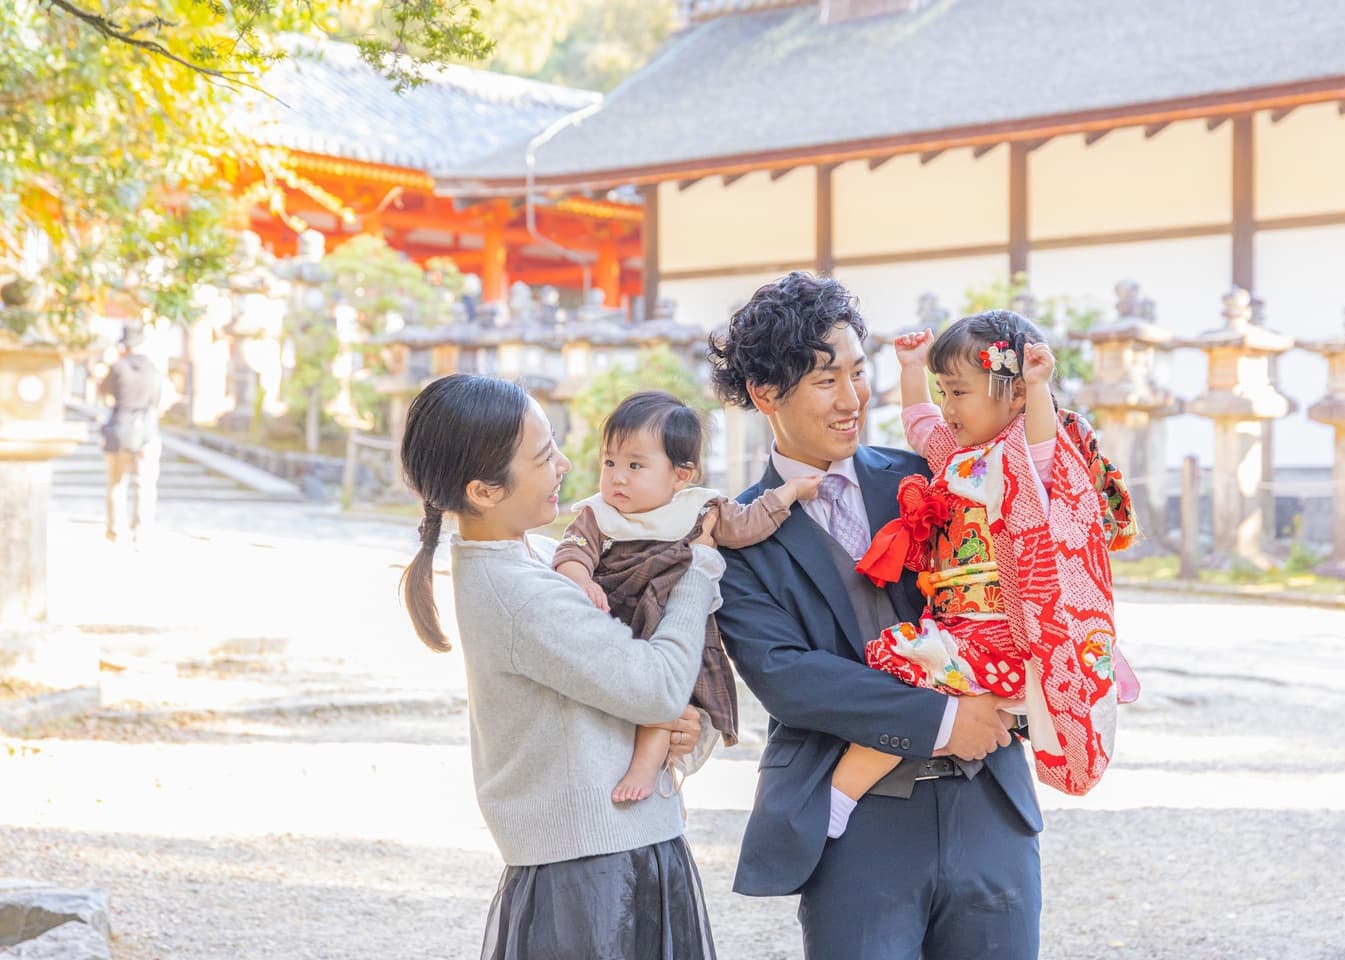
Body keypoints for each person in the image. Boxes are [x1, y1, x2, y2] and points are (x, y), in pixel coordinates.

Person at [709, 272, 1043, 960]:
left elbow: (1022, 584)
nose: (854, 398)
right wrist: (948, 719)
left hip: (990, 810)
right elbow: (787, 677)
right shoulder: (737, 532)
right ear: (766, 393)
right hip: (855, 825)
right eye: (827, 380)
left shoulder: (934, 477)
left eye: (859, 374)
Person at [398, 374, 720, 960]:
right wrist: (700, 572)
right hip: (593, 873)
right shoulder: (521, 593)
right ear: (485, 491)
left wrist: (682, 731)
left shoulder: (543, 559)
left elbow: (645, 691)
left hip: (610, 852)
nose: (566, 464)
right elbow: (657, 685)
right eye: (545, 456)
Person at [827, 311, 1140, 835]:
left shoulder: (1026, 458)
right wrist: (910, 369)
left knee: (913, 686)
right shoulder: (962, 456)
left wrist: (1038, 385)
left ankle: (840, 795)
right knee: (921, 700)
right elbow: (920, 424)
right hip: (959, 625)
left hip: (1004, 631)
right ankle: (854, 795)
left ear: (1013, 394)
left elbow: (1042, 441)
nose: (948, 407)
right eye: (943, 391)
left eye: (959, 392)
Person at [554, 390, 822, 803]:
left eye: (635, 465)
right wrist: (579, 578)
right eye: (610, 463)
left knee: (669, 698)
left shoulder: (702, 510)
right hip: (618, 625)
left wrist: (788, 493)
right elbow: (572, 551)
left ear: (682, 475)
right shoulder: (598, 514)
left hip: (667, 626)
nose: (617, 477)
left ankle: (650, 765)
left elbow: (749, 524)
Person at [100, 325, 163, 547]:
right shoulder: (153, 369)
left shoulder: (117, 368)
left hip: (119, 429)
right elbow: (157, 401)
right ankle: (141, 531)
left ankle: (115, 531)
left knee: (117, 483)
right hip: (146, 430)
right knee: (144, 484)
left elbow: (104, 393)